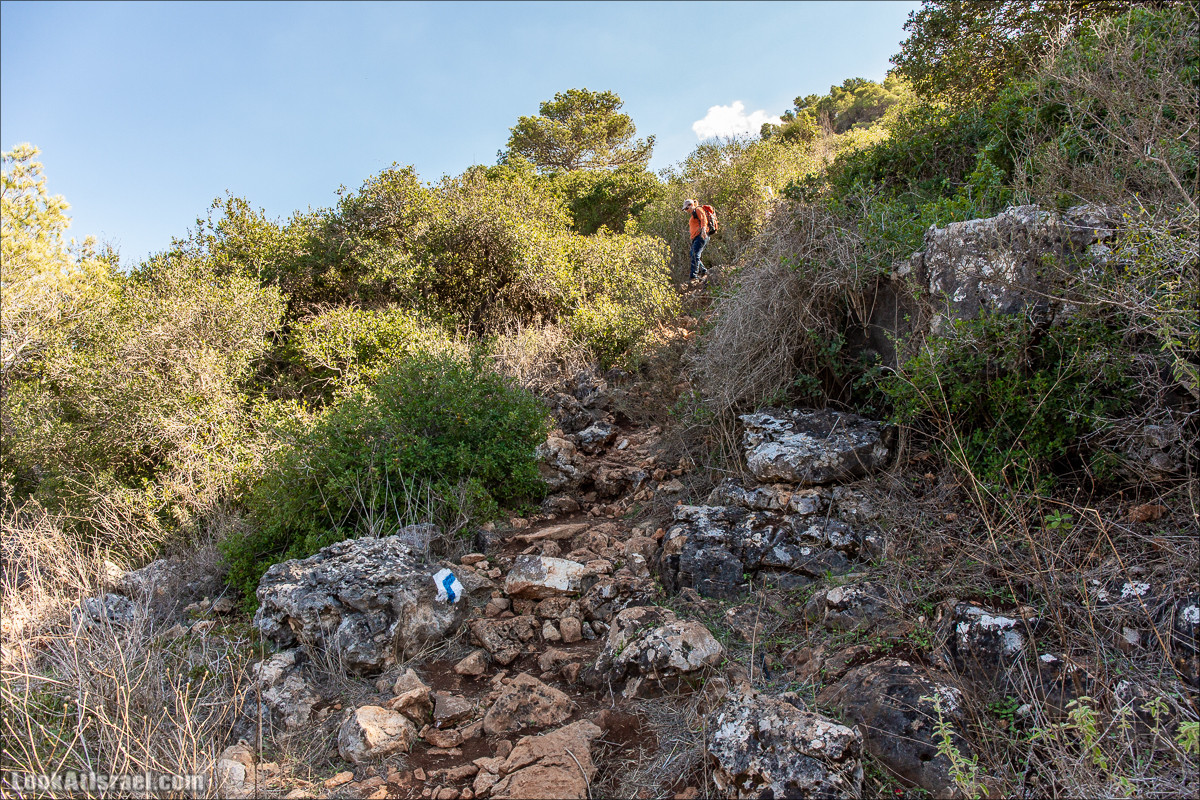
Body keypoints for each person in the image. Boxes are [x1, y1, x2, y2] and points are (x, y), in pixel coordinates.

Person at [682, 199, 708, 280]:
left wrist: (703, 230)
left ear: (691, 205)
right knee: (692, 254)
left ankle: (694, 275)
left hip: (701, 235)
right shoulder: (693, 214)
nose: (686, 211)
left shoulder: (698, 209)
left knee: (695, 254)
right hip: (696, 237)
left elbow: (703, 218)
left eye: (687, 208)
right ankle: (703, 270)